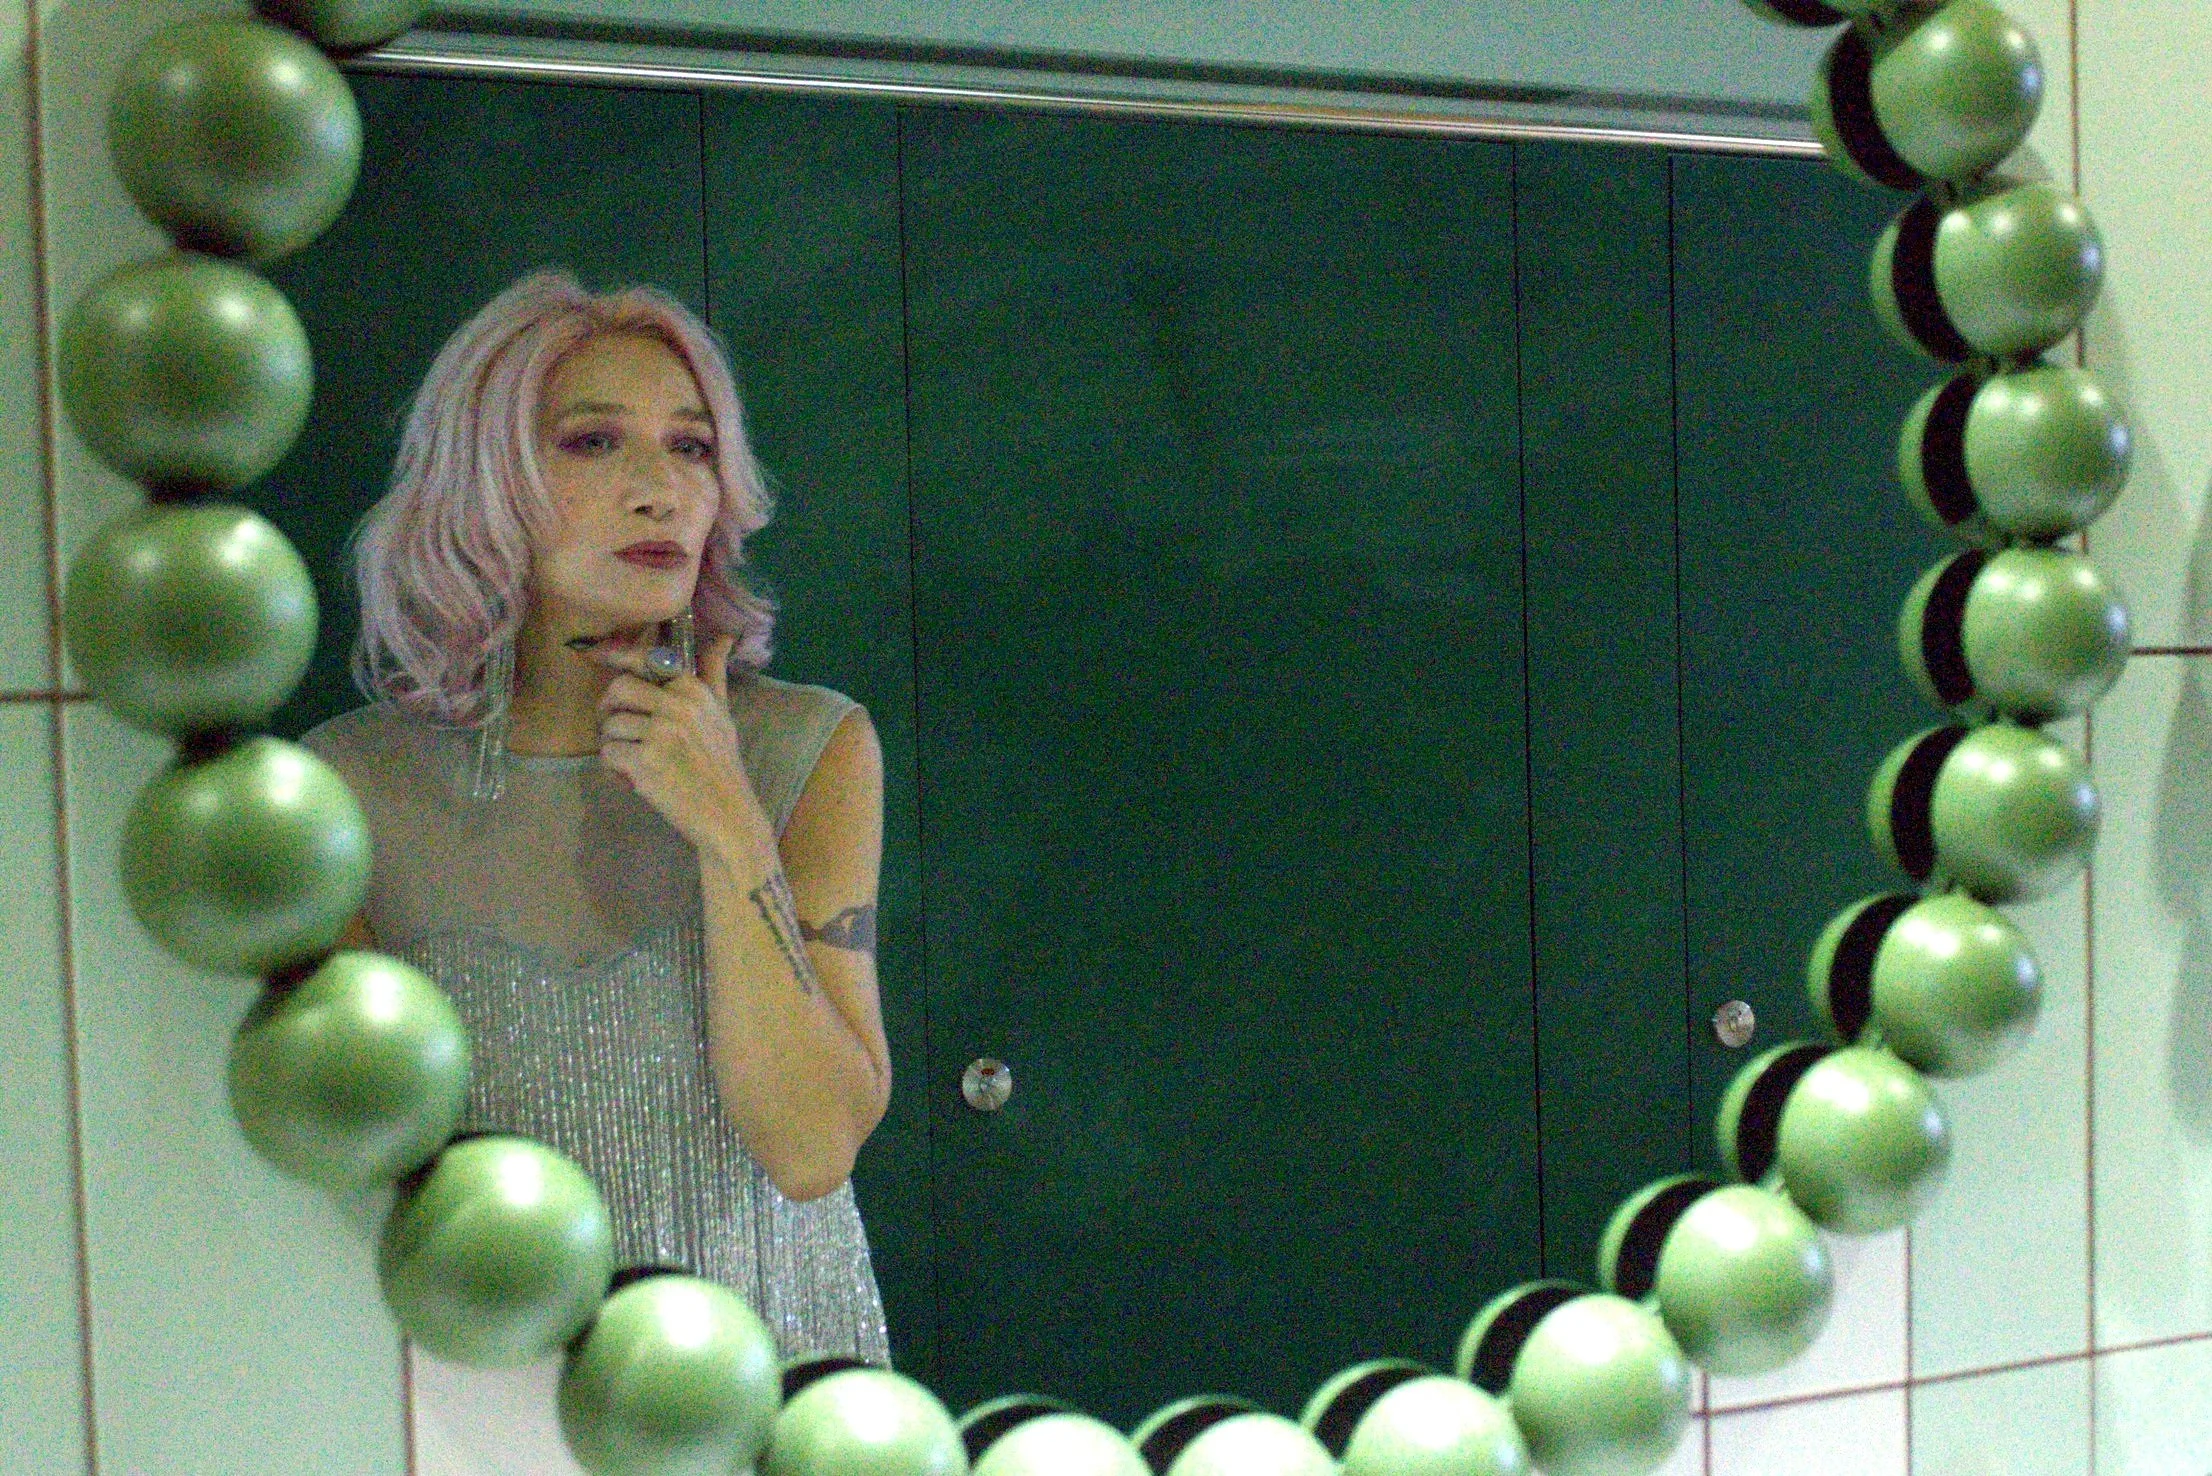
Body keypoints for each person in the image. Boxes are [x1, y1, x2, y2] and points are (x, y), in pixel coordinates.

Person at [299, 268, 893, 1468]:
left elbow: (812, 1146)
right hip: (492, 1421)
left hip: (782, 1410)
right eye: (592, 442)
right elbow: (357, 1201)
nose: (659, 487)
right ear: (486, 485)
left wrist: (727, 825)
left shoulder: (808, 748)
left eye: (691, 448)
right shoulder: (346, 791)